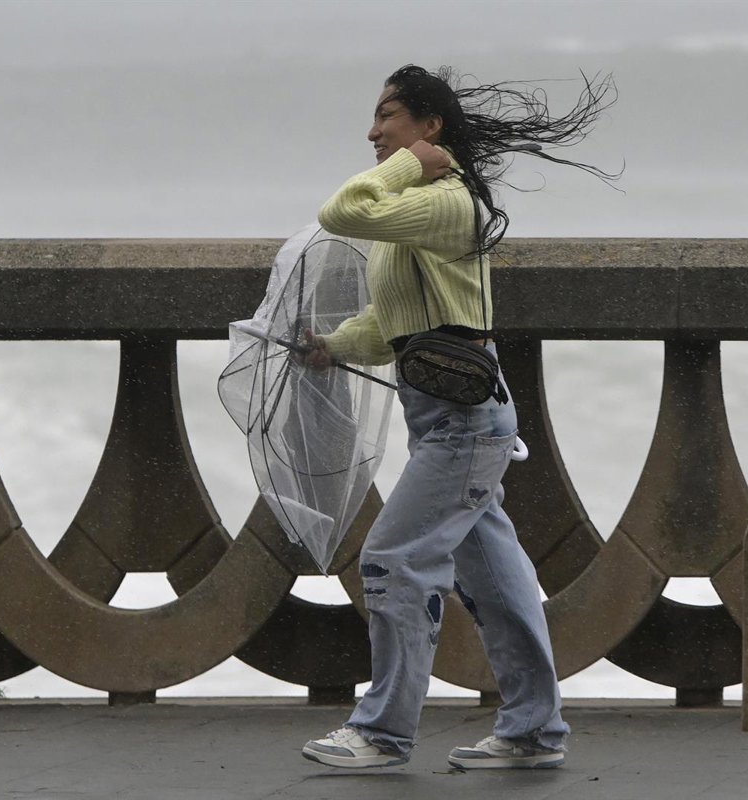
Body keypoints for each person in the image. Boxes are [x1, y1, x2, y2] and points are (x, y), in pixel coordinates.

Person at [299, 64, 617, 771]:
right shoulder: (422, 211)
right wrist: (335, 346)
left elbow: (342, 210)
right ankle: (534, 733)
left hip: (464, 424)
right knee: (497, 584)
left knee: (394, 559)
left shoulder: (445, 201)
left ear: (430, 125)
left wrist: (409, 165)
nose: (373, 132)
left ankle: (382, 734)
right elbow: (397, 321)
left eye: (388, 117)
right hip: (449, 416)